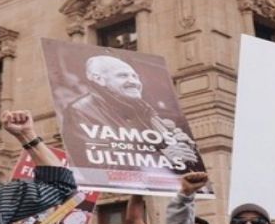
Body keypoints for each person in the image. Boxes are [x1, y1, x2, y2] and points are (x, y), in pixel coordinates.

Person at [61, 55, 199, 171]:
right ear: (99, 79)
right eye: (123, 76)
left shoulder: (146, 110)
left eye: (135, 76)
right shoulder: (81, 110)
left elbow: (173, 156)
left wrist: (188, 149)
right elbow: (93, 166)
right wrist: (162, 160)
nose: (134, 82)